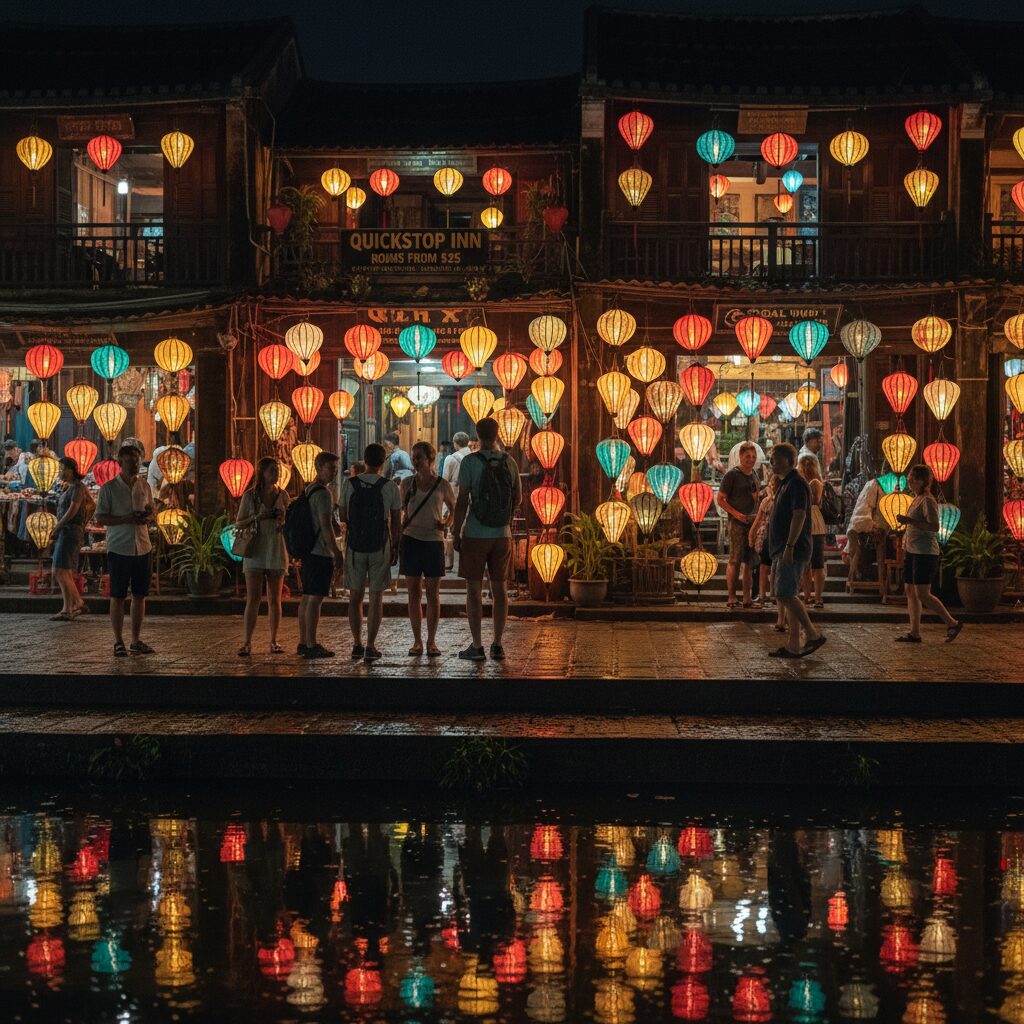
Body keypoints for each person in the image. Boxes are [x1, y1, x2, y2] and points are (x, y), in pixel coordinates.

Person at [453, 417, 522, 661]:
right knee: (500, 589)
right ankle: (498, 644)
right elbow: (518, 498)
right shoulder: (509, 461)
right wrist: (503, 517)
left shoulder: (470, 462)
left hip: (474, 533)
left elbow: (462, 500)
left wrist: (455, 530)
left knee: (473, 589)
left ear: (477, 435)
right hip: (502, 535)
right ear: (498, 434)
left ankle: (477, 645)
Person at [339, 443, 402, 662]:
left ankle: (356, 643)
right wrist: (395, 546)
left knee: (355, 597)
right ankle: (370, 646)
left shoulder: (350, 484)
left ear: (364, 461)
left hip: (355, 545)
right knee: (376, 597)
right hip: (380, 545)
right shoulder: (390, 487)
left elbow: (343, 516)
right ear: (383, 462)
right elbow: (396, 521)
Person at [95, 443, 155, 656]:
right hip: (119, 546)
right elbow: (100, 517)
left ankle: (136, 639)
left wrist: (147, 516)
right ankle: (118, 640)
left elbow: (152, 512)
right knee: (118, 595)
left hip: (143, 545)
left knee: (140, 595)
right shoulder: (109, 488)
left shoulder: (144, 486)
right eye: (130, 462)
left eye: (137, 462)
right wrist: (125, 519)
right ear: (120, 463)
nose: (135, 465)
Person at [767, 442, 825, 658]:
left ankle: (812, 634)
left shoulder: (797, 484)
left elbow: (799, 515)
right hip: (781, 548)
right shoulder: (782, 484)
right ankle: (793, 643)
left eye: (778, 458)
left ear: (790, 462)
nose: (773, 462)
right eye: (773, 458)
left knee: (785, 593)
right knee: (786, 594)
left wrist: (790, 546)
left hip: (792, 548)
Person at [400, 441, 456, 657]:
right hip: (411, 539)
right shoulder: (406, 483)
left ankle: (431, 641)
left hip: (433, 541)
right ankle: (417, 641)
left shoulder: (442, 485)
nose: (415, 462)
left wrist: (446, 523)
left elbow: (453, 508)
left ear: (430, 459)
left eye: (419, 458)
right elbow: (399, 513)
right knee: (413, 593)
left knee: (433, 593)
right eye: (413, 457)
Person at [896, 464, 962, 643]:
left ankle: (952, 623)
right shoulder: (916, 499)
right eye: (909, 479)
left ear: (922, 481)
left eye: (913, 479)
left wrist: (909, 520)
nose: (910, 482)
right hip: (912, 550)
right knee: (910, 590)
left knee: (923, 593)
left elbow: (934, 526)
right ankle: (914, 632)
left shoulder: (928, 500)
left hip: (925, 552)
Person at [235, 457, 289, 657]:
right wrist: (258, 517)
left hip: (275, 546)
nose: (276, 474)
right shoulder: (250, 496)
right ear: (262, 473)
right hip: (255, 549)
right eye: (272, 471)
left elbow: (287, 522)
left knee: (275, 599)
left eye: (277, 471)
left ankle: (274, 640)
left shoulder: (283, 495)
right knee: (254, 599)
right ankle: (247, 642)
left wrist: (281, 519)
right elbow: (239, 523)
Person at [297, 451, 343, 660]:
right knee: (315, 599)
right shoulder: (324, 494)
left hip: (307, 550)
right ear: (319, 468)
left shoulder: (308, 490)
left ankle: (303, 641)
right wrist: (336, 551)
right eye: (331, 468)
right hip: (319, 552)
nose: (334, 473)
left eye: (335, 469)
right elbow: (326, 527)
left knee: (307, 598)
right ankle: (312, 643)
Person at [717, 441, 761, 608]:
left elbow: (756, 496)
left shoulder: (755, 475)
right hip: (737, 522)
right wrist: (735, 513)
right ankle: (731, 596)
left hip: (752, 522)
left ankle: (747, 597)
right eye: (747, 456)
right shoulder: (732, 475)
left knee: (749, 561)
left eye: (753, 457)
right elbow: (720, 499)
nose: (750, 459)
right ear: (741, 457)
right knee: (735, 559)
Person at [50, 456, 92, 621]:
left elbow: (73, 509)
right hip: (66, 532)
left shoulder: (78, 488)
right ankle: (73, 605)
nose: (61, 472)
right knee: (63, 571)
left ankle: (71, 606)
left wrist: (58, 526)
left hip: (70, 531)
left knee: (59, 570)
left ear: (71, 470)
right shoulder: (70, 488)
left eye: (63, 469)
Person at [748, 472, 785, 628]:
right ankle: (765, 595)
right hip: (769, 536)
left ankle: (767, 595)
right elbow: (758, 518)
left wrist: (752, 533)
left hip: (774, 536)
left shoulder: (777, 500)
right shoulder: (769, 501)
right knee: (765, 566)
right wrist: (752, 533)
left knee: (769, 567)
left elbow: (758, 520)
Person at [798, 454, 827, 608]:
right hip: (812, 522)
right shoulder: (817, 482)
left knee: (815, 564)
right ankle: (811, 596)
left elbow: (812, 500)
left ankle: (816, 597)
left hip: (811, 522)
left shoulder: (813, 483)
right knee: (809, 564)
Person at [846, 476, 886, 585]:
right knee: (879, 551)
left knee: (856, 551)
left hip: (857, 523)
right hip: (867, 521)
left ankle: (851, 578)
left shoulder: (869, 485)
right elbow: (872, 505)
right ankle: (881, 584)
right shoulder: (875, 487)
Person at [443, 432, 472, 571]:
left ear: (455, 443)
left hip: (453, 497)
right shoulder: (473, 457)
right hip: (470, 498)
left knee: (451, 530)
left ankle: (450, 563)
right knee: (465, 529)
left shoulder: (451, 458)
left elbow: (444, 480)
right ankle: (465, 562)